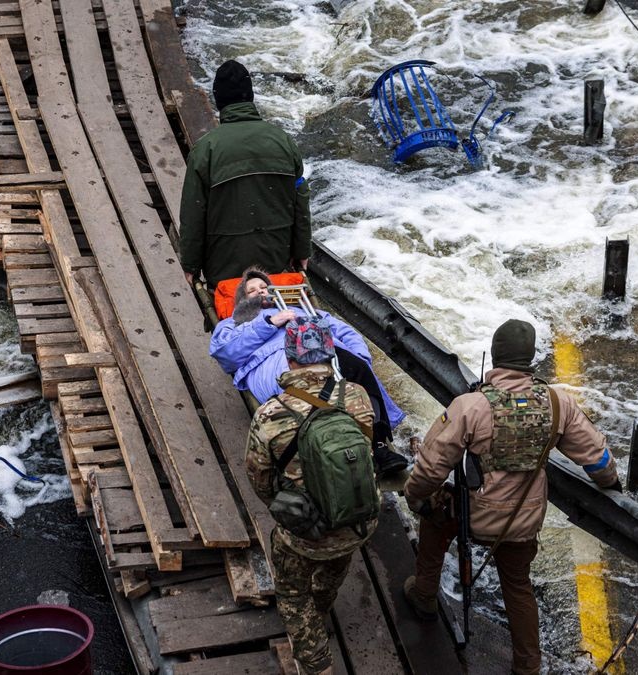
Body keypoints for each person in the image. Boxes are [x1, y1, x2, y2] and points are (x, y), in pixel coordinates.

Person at [402, 319, 621, 675]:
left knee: (434, 519)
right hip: (523, 521)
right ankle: (527, 665)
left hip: (473, 514)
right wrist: (611, 486)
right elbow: (597, 457)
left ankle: (424, 595)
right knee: (518, 586)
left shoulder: (470, 406)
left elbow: (430, 466)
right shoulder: (557, 403)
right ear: (530, 358)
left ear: (496, 355)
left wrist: (417, 499)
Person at [246, 319, 379, 675]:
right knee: (333, 568)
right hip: (357, 522)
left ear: (290, 360)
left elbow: (259, 479)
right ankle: (322, 605)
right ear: (330, 353)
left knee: (292, 591)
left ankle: (317, 663)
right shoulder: (358, 396)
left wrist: (290, 505)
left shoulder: (271, 413)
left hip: (304, 534)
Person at [213, 267, 408, 475]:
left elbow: (344, 331)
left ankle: (379, 445)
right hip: (271, 360)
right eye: (252, 290)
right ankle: (323, 451)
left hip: (324, 349)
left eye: (264, 286)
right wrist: (268, 323)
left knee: (358, 369)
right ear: (242, 300)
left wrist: (359, 355)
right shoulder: (233, 324)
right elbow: (226, 354)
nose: (261, 291)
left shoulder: (300, 309)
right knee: (308, 392)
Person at [180, 60, 311, 288]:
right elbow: (301, 202)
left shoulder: (206, 149)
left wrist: (190, 265)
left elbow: (193, 213)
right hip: (274, 256)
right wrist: (302, 251)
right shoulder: (283, 141)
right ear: (250, 97)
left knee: (227, 312)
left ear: (218, 101)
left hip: (224, 262)